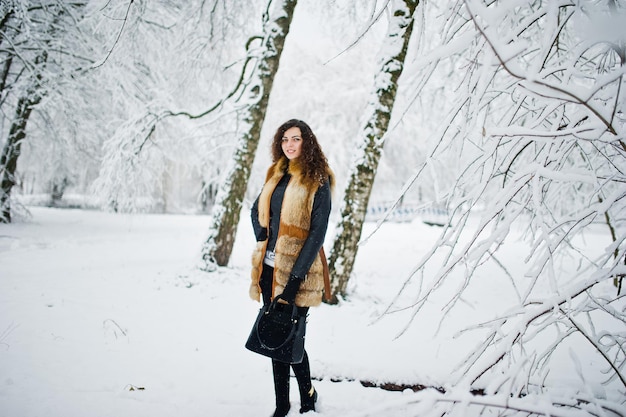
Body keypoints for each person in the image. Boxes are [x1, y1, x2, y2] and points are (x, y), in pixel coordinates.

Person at [250, 119, 334, 416]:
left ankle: (303, 397)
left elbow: (317, 233)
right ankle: (287, 403)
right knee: (277, 335)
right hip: (269, 270)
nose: (289, 144)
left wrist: (295, 278)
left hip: (300, 272)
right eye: (284, 139)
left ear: (306, 141)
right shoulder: (276, 174)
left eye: (295, 139)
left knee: (291, 335)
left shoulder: (317, 179)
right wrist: (264, 241)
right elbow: (256, 210)